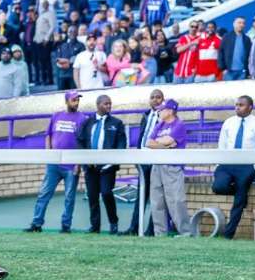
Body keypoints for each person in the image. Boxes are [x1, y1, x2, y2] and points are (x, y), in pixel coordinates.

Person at [24, 90, 86, 233]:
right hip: (54, 164)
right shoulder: (56, 116)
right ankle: (36, 224)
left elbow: (82, 142)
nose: (76, 103)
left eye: (78, 100)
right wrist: (49, 155)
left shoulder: (82, 118)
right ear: (67, 101)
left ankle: (66, 226)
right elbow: (48, 135)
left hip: (71, 165)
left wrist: (78, 164)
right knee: (44, 193)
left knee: (69, 197)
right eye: (74, 100)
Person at [212, 96, 255, 239]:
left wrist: (254, 168)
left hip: (246, 166)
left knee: (238, 202)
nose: (237, 107)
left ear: (250, 107)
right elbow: (222, 145)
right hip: (227, 163)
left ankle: (228, 234)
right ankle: (241, 194)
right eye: (236, 104)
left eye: (241, 105)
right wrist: (219, 164)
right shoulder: (228, 122)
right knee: (218, 187)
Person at [77, 95, 127, 234]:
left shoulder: (117, 123)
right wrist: (85, 160)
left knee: (106, 193)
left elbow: (121, 143)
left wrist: (114, 161)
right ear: (98, 104)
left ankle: (113, 223)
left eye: (110, 103)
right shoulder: (87, 122)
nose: (109, 106)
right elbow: (80, 141)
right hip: (90, 167)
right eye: (106, 104)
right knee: (92, 197)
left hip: (108, 167)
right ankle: (95, 226)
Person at [120, 89, 165, 236]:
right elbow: (142, 135)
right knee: (141, 196)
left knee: (155, 197)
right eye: (152, 97)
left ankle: (151, 230)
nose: (155, 100)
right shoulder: (145, 115)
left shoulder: (165, 117)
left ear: (163, 100)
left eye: (158, 97)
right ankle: (134, 228)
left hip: (156, 160)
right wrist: (137, 155)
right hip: (143, 160)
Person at [146, 99, 191, 237]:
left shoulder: (179, 125)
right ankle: (160, 234)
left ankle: (185, 233)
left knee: (176, 201)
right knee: (157, 201)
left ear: (170, 111)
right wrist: (165, 146)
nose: (159, 111)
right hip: (157, 166)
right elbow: (148, 143)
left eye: (162, 109)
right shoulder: (160, 124)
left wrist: (161, 143)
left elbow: (168, 140)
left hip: (172, 167)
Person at [218, 17, 252, 81]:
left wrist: (247, 71)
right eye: (239, 23)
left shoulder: (247, 39)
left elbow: (249, 56)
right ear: (234, 24)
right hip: (228, 71)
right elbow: (221, 52)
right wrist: (223, 68)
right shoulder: (226, 37)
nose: (241, 25)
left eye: (243, 23)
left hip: (242, 72)